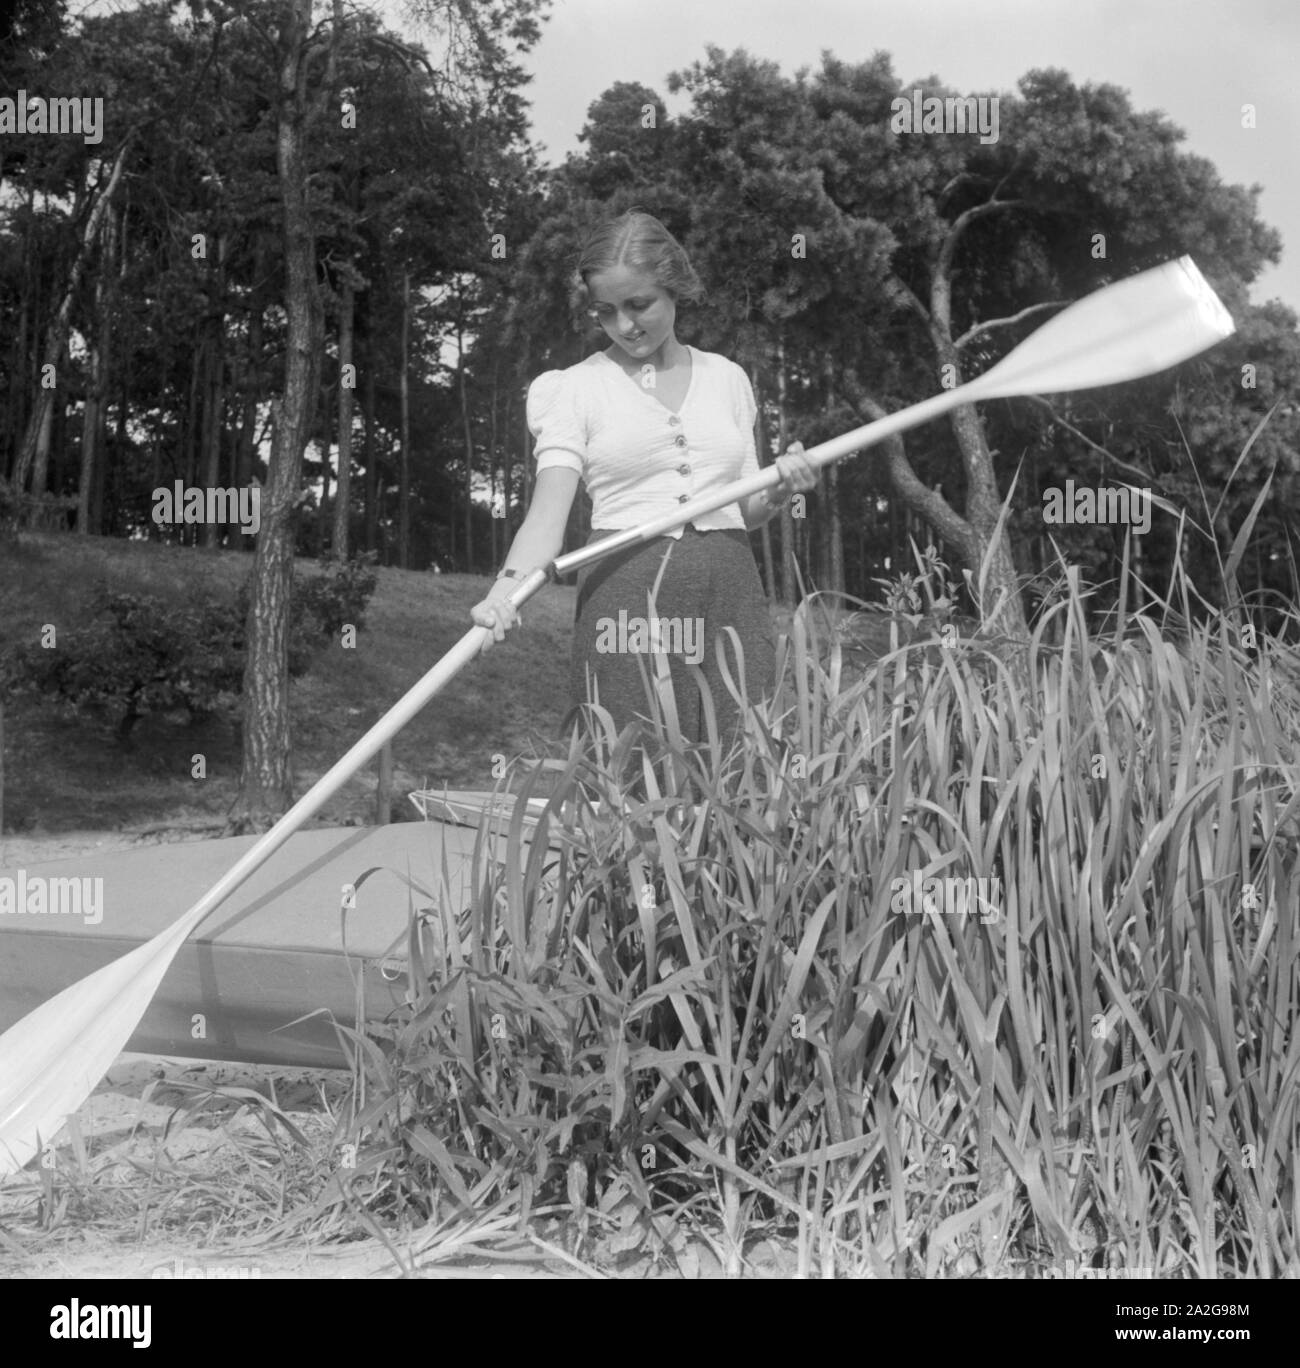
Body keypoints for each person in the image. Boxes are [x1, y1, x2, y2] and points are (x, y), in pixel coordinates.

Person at [470, 209, 817, 748]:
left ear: (674, 286)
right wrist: (504, 591)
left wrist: (779, 490)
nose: (624, 326)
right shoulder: (574, 390)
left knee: (744, 753)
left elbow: (744, 510)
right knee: (633, 759)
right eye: (605, 311)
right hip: (627, 588)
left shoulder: (728, 378)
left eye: (639, 305)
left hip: (731, 586)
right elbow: (546, 517)